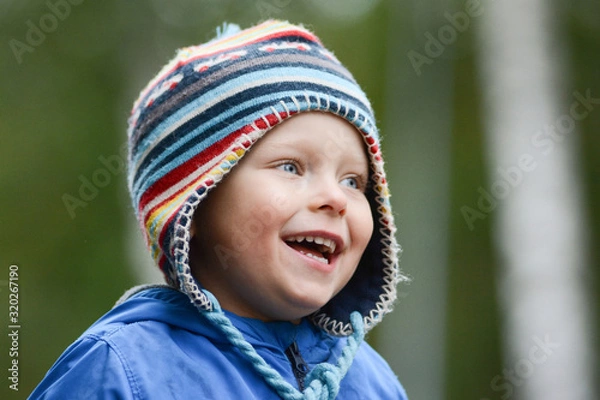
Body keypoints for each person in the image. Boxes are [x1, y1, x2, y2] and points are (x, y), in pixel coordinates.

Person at [29, 19, 409, 399]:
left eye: (353, 181)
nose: (336, 199)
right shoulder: (121, 370)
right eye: (291, 167)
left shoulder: (372, 383)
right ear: (193, 202)